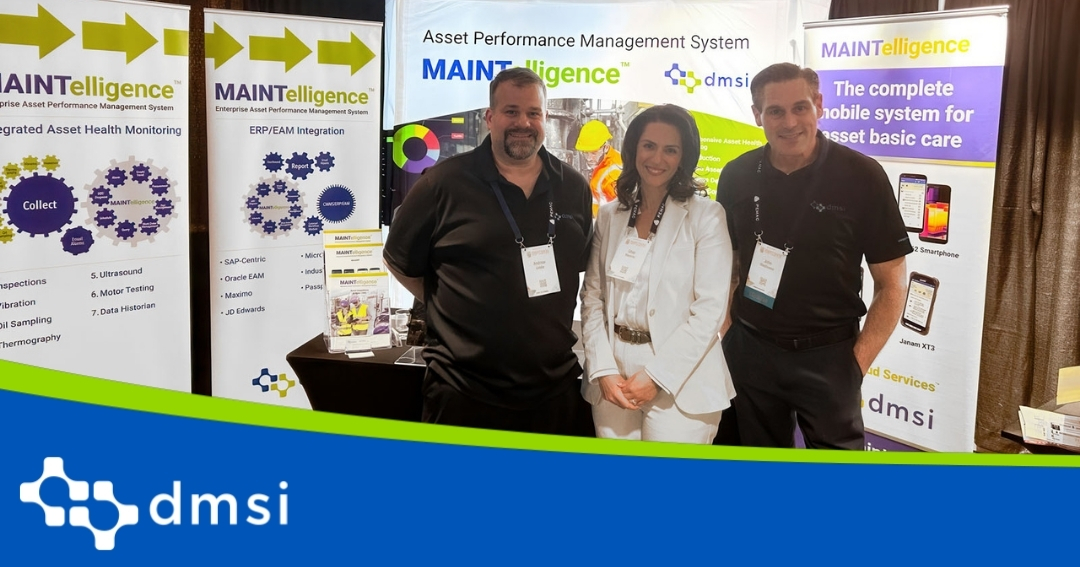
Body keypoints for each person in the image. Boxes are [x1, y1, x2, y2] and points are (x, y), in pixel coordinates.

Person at [383, 67, 592, 435]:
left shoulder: (573, 187)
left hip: (553, 392)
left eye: (534, 113)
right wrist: (447, 304)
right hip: (463, 392)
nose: (523, 122)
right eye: (511, 111)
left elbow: (574, 268)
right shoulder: (442, 183)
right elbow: (398, 259)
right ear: (490, 117)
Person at [716, 63, 911, 450]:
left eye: (800, 107)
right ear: (758, 116)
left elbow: (892, 284)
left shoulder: (862, 175)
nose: (789, 122)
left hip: (829, 356)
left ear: (819, 105)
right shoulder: (736, 175)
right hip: (751, 351)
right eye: (775, 111)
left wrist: (856, 365)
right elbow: (730, 266)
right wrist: (727, 334)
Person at [580, 104, 735, 443]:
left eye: (670, 149)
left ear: (684, 156)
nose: (657, 158)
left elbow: (710, 310)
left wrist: (656, 376)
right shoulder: (611, 215)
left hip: (681, 380)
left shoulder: (706, 216)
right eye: (649, 145)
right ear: (634, 147)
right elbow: (592, 297)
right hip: (613, 376)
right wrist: (603, 369)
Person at [575, 119, 622, 215]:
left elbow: (618, 214)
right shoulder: (605, 162)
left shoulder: (613, 174)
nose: (589, 158)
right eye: (585, 153)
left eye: (593, 153)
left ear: (605, 148)